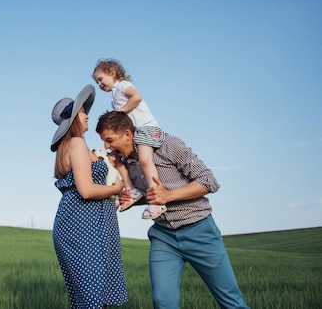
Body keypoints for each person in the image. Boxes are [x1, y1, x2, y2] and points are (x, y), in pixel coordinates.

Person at [96, 111, 249, 309]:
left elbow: (209, 181)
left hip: (199, 230)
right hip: (164, 237)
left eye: (109, 140)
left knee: (231, 301)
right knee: (163, 302)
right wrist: (135, 199)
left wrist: (168, 195)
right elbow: (152, 196)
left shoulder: (169, 146)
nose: (106, 146)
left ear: (127, 134)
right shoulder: (127, 164)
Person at [50, 85, 128, 309]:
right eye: (83, 112)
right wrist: (117, 188)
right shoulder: (75, 143)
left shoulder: (75, 147)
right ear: (74, 117)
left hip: (87, 224)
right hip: (84, 227)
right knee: (93, 299)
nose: (87, 115)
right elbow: (86, 190)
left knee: (92, 299)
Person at [93, 58, 166, 220]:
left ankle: (156, 201)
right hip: (136, 132)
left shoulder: (123, 85)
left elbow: (137, 97)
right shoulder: (114, 96)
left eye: (100, 79)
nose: (99, 84)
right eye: (97, 82)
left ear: (112, 73)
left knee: (145, 160)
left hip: (147, 129)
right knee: (118, 160)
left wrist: (121, 112)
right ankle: (130, 189)